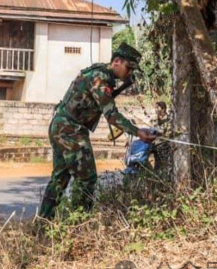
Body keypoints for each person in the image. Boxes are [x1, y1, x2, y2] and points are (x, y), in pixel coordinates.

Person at [38, 43, 158, 219]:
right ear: (117, 61)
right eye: (129, 67)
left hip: (61, 126)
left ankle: (43, 223)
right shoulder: (100, 77)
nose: (130, 73)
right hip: (71, 129)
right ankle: (79, 224)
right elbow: (111, 115)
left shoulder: (102, 74)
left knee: (59, 179)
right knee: (87, 179)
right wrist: (138, 132)